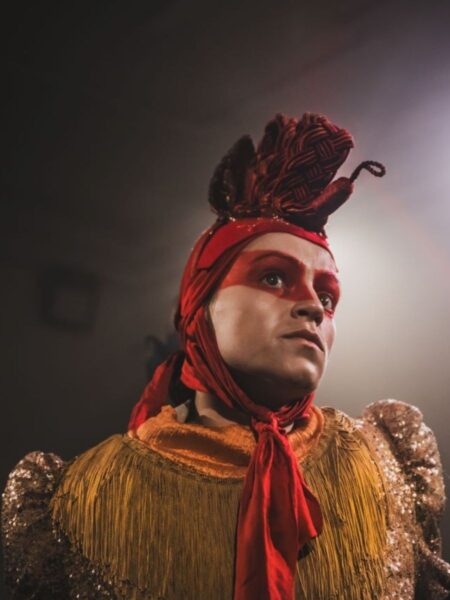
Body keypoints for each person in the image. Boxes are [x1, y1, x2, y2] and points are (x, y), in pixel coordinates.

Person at [2, 113, 450, 600]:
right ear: (199, 311)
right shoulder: (79, 497)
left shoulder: (382, 463)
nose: (311, 307)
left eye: (327, 296)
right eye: (273, 277)